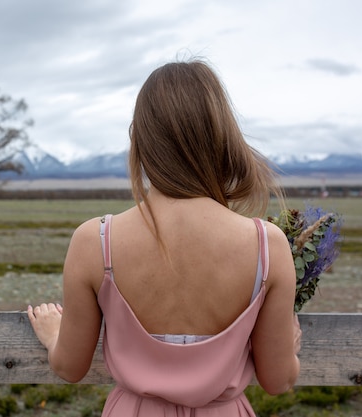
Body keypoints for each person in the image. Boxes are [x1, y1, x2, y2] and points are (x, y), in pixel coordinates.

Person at [27, 59, 302, 416]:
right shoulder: (268, 245)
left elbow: (70, 366)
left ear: (140, 140)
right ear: (221, 137)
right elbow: (278, 380)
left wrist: (53, 335)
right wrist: (289, 347)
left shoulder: (94, 241)